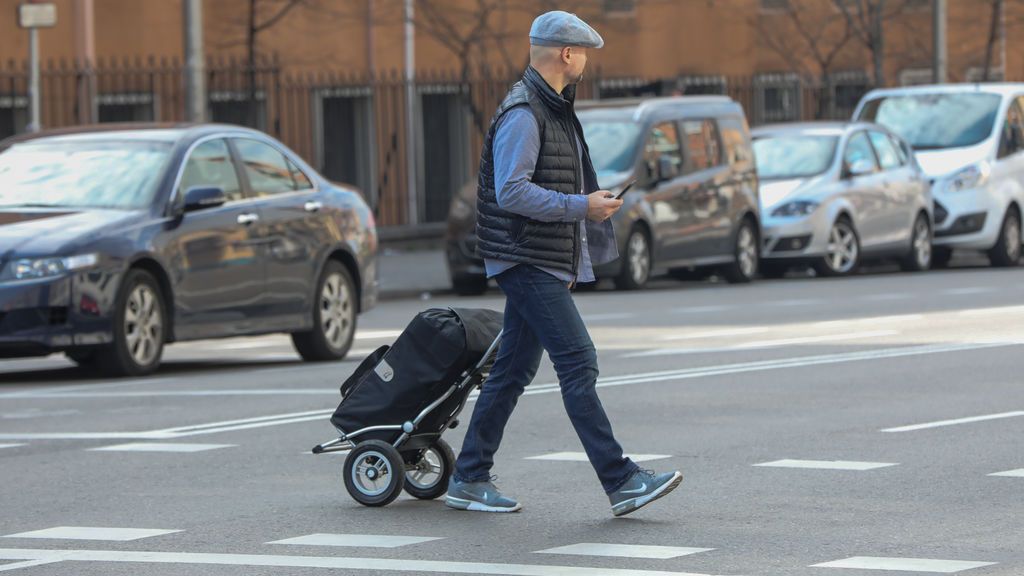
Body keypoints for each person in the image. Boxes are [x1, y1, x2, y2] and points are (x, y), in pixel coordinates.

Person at [445, 10, 683, 518]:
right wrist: (583, 206)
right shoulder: (525, 112)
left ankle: (468, 476)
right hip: (523, 256)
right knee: (578, 362)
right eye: (584, 55)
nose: (586, 64)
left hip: (537, 257)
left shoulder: (552, 107)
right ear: (566, 54)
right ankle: (621, 481)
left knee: (512, 369)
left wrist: (585, 211)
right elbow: (512, 191)